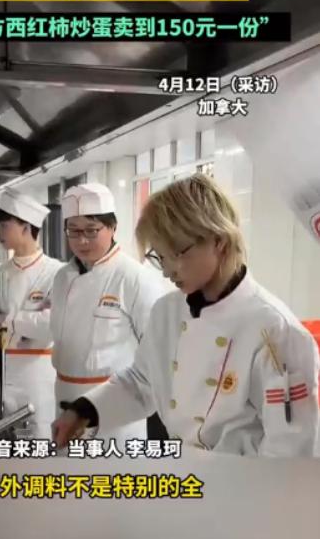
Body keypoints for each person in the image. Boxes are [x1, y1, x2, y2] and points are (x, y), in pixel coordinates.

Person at [52, 174, 320, 457]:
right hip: (182, 469)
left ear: (218, 240)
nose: (167, 271)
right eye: (160, 257)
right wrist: (83, 411)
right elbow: (142, 381)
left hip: (242, 479)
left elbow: (290, 451)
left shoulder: (276, 333)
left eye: (175, 253)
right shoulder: (167, 311)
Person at [50, 182, 169, 448]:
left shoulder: (135, 278)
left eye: (91, 230)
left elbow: (158, 353)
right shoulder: (61, 278)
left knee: (112, 472)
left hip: (115, 409)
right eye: (73, 231)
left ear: (113, 227)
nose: (82, 240)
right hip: (64, 400)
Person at [0, 188, 63, 438]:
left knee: (40, 442)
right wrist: (26, 326)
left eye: (4, 225)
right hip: (1, 377)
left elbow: (51, 326)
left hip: (40, 379)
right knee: (3, 443)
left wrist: (8, 320)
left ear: (26, 226)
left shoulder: (57, 273)